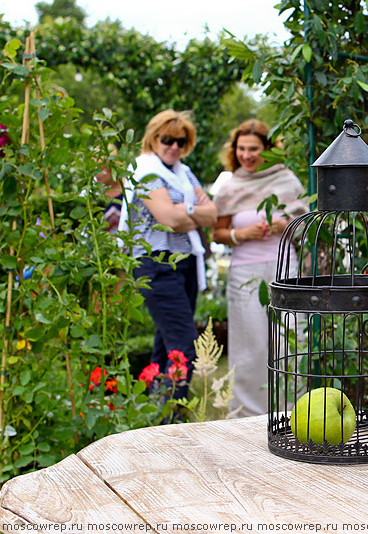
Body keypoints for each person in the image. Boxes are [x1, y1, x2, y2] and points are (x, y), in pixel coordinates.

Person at [119, 110, 217, 405]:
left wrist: (184, 213)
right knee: (184, 347)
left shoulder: (184, 172)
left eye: (181, 140)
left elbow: (212, 214)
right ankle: (172, 418)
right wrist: (191, 213)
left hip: (184, 263)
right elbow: (169, 219)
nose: (173, 146)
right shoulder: (146, 169)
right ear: (153, 137)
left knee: (166, 347)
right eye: (167, 139)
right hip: (156, 263)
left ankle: (155, 416)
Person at [212, 119, 307, 417]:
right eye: (241, 149)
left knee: (291, 340)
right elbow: (217, 233)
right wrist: (242, 234)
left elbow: (305, 228)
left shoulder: (287, 181)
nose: (247, 155)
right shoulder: (230, 186)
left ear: (268, 149)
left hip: (284, 270)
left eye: (253, 149)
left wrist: (283, 224)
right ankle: (247, 415)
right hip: (245, 273)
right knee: (249, 346)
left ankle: (292, 411)